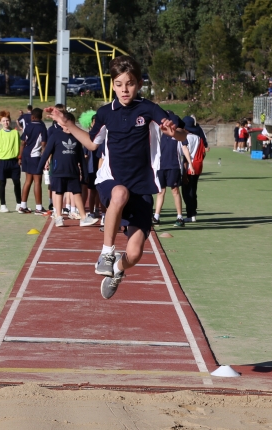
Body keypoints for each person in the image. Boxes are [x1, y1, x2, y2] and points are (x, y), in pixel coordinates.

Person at [47, 55, 188, 299]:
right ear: (112, 84)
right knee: (119, 192)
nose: (125, 89)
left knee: (134, 254)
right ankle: (107, 252)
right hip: (111, 179)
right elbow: (91, 144)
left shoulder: (149, 110)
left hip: (142, 187)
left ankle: (117, 269)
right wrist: (66, 122)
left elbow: (183, 136)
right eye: (119, 83)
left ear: (139, 84)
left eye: (130, 83)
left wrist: (173, 133)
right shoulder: (105, 114)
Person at [38, 110, 99, 227]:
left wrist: (84, 173)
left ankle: (83, 217)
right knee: (59, 192)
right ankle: (59, 217)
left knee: (77, 193)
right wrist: (39, 168)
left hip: (73, 172)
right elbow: (46, 153)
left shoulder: (77, 138)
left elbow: (81, 157)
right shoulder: (55, 136)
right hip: (58, 171)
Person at [153, 112, 191, 227]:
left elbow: (184, 149)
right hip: (160, 166)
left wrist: (190, 164)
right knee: (160, 191)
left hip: (174, 166)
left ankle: (180, 217)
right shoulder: (160, 133)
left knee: (175, 191)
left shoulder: (178, 134)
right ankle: (156, 216)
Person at [19, 108, 47, 214]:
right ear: (40, 117)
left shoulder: (28, 126)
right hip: (35, 156)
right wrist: (45, 157)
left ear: (32, 117)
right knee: (37, 182)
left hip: (26, 155)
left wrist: (20, 157)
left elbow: (23, 142)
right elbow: (44, 144)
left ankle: (23, 206)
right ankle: (39, 208)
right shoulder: (42, 127)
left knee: (27, 181)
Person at [0, 110, 23, 213]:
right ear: (0, 122)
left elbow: (19, 147)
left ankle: (19, 204)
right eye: (4, 121)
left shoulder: (15, 133)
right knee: (2, 183)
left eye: (7, 120)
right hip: (3, 162)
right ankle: (3, 205)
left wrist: (19, 158)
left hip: (14, 162)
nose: (6, 122)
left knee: (17, 182)